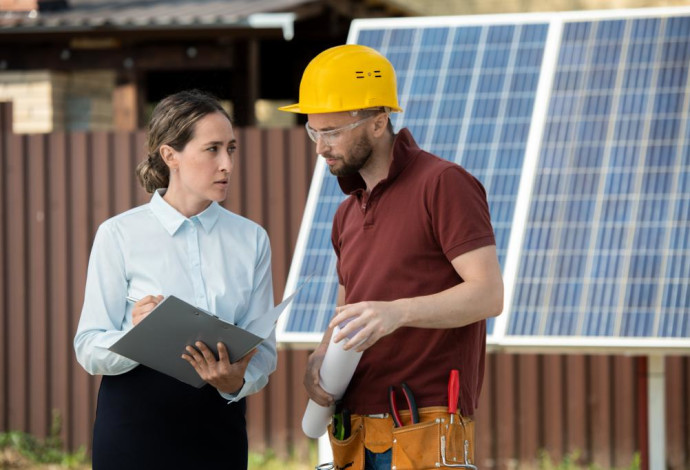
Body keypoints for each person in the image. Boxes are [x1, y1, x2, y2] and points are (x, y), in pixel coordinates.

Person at [280, 45, 503, 470]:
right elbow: (349, 308)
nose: (320, 148)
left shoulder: (444, 184)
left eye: (331, 132)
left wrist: (395, 313)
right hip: (354, 434)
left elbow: (488, 295)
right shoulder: (346, 211)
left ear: (379, 121)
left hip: (424, 427)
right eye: (313, 132)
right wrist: (321, 353)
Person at [74, 89, 276, 470]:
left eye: (231, 149)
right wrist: (135, 336)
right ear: (171, 156)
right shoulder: (119, 235)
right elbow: (88, 348)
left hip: (219, 432)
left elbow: (264, 351)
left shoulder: (252, 239)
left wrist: (235, 383)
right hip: (133, 436)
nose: (227, 164)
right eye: (212, 149)